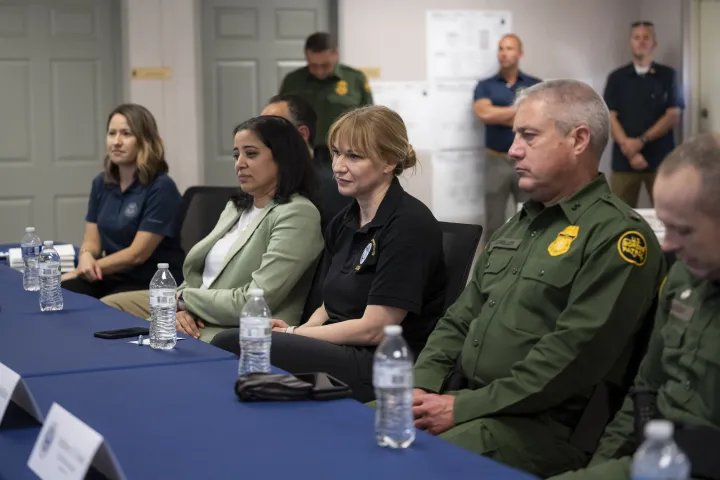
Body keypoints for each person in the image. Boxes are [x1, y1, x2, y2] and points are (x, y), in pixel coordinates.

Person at [409, 80, 665, 477]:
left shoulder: (616, 236)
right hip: (469, 401)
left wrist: (461, 409)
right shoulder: (520, 224)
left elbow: (568, 360)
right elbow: (460, 317)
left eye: (528, 136)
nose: (513, 150)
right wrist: (422, 386)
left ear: (578, 140)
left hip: (544, 428)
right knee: (359, 428)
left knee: (408, 463)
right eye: (515, 135)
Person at [212, 105, 447, 403]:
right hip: (343, 347)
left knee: (233, 342)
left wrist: (295, 336)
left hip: (381, 362)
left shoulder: (408, 224)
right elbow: (330, 302)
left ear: (389, 161)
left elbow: (375, 329)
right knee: (237, 341)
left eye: (354, 156)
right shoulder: (345, 220)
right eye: (336, 153)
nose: (338, 166)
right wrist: (302, 329)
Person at [548, 133, 720, 480]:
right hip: (660, 459)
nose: (668, 245)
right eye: (665, 226)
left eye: (683, 230)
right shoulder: (684, 280)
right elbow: (646, 389)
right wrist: (598, 469)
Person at [102, 116, 323, 342]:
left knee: (129, 341)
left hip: (234, 327)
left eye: (251, 153)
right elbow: (198, 273)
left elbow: (256, 300)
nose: (240, 163)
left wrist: (185, 301)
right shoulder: (236, 207)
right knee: (107, 308)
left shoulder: (297, 214)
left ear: (282, 158)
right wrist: (180, 310)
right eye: (236, 155)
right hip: (195, 305)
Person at [60, 104, 184, 298]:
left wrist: (83, 270)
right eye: (112, 133)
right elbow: (92, 241)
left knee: (104, 303)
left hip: (149, 281)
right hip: (112, 275)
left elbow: (137, 254)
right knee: (64, 290)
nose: (116, 142)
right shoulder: (101, 183)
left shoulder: (161, 187)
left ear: (144, 141)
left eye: (126, 134)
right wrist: (85, 255)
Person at [604, 21, 684, 208]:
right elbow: (610, 116)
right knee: (618, 215)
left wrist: (641, 141)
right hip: (624, 162)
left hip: (660, 161)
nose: (641, 42)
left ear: (654, 43)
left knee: (668, 212)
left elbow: (673, 115)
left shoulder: (669, 75)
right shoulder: (616, 77)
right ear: (630, 42)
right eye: (636, 37)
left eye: (646, 37)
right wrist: (629, 149)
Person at [473, 34, 541, 244]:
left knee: (532, 218)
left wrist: (499, 114)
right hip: (496, 161)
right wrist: (520, 112)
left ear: (520, 53)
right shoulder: (485, 85)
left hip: (527, 160)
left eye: (509, 48)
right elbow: (484, 114)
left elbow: (540, 118)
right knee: (494, 223)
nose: (504, 53)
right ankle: (490, 272)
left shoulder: (535, 85)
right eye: (501, 48)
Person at [278, 32, 373, 165]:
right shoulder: (293, 81)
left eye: (325, 65)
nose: (319, 71)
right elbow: (279, 118)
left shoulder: (355, 79)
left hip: (344, 155)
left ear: (336, 54)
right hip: (301, 154)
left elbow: (369, 120)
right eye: (313, 66)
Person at [260, 94, 351, 229]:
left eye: (272, 129)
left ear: (302, 134)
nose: (261, 137)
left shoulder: (335, 187)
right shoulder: (259, 182)